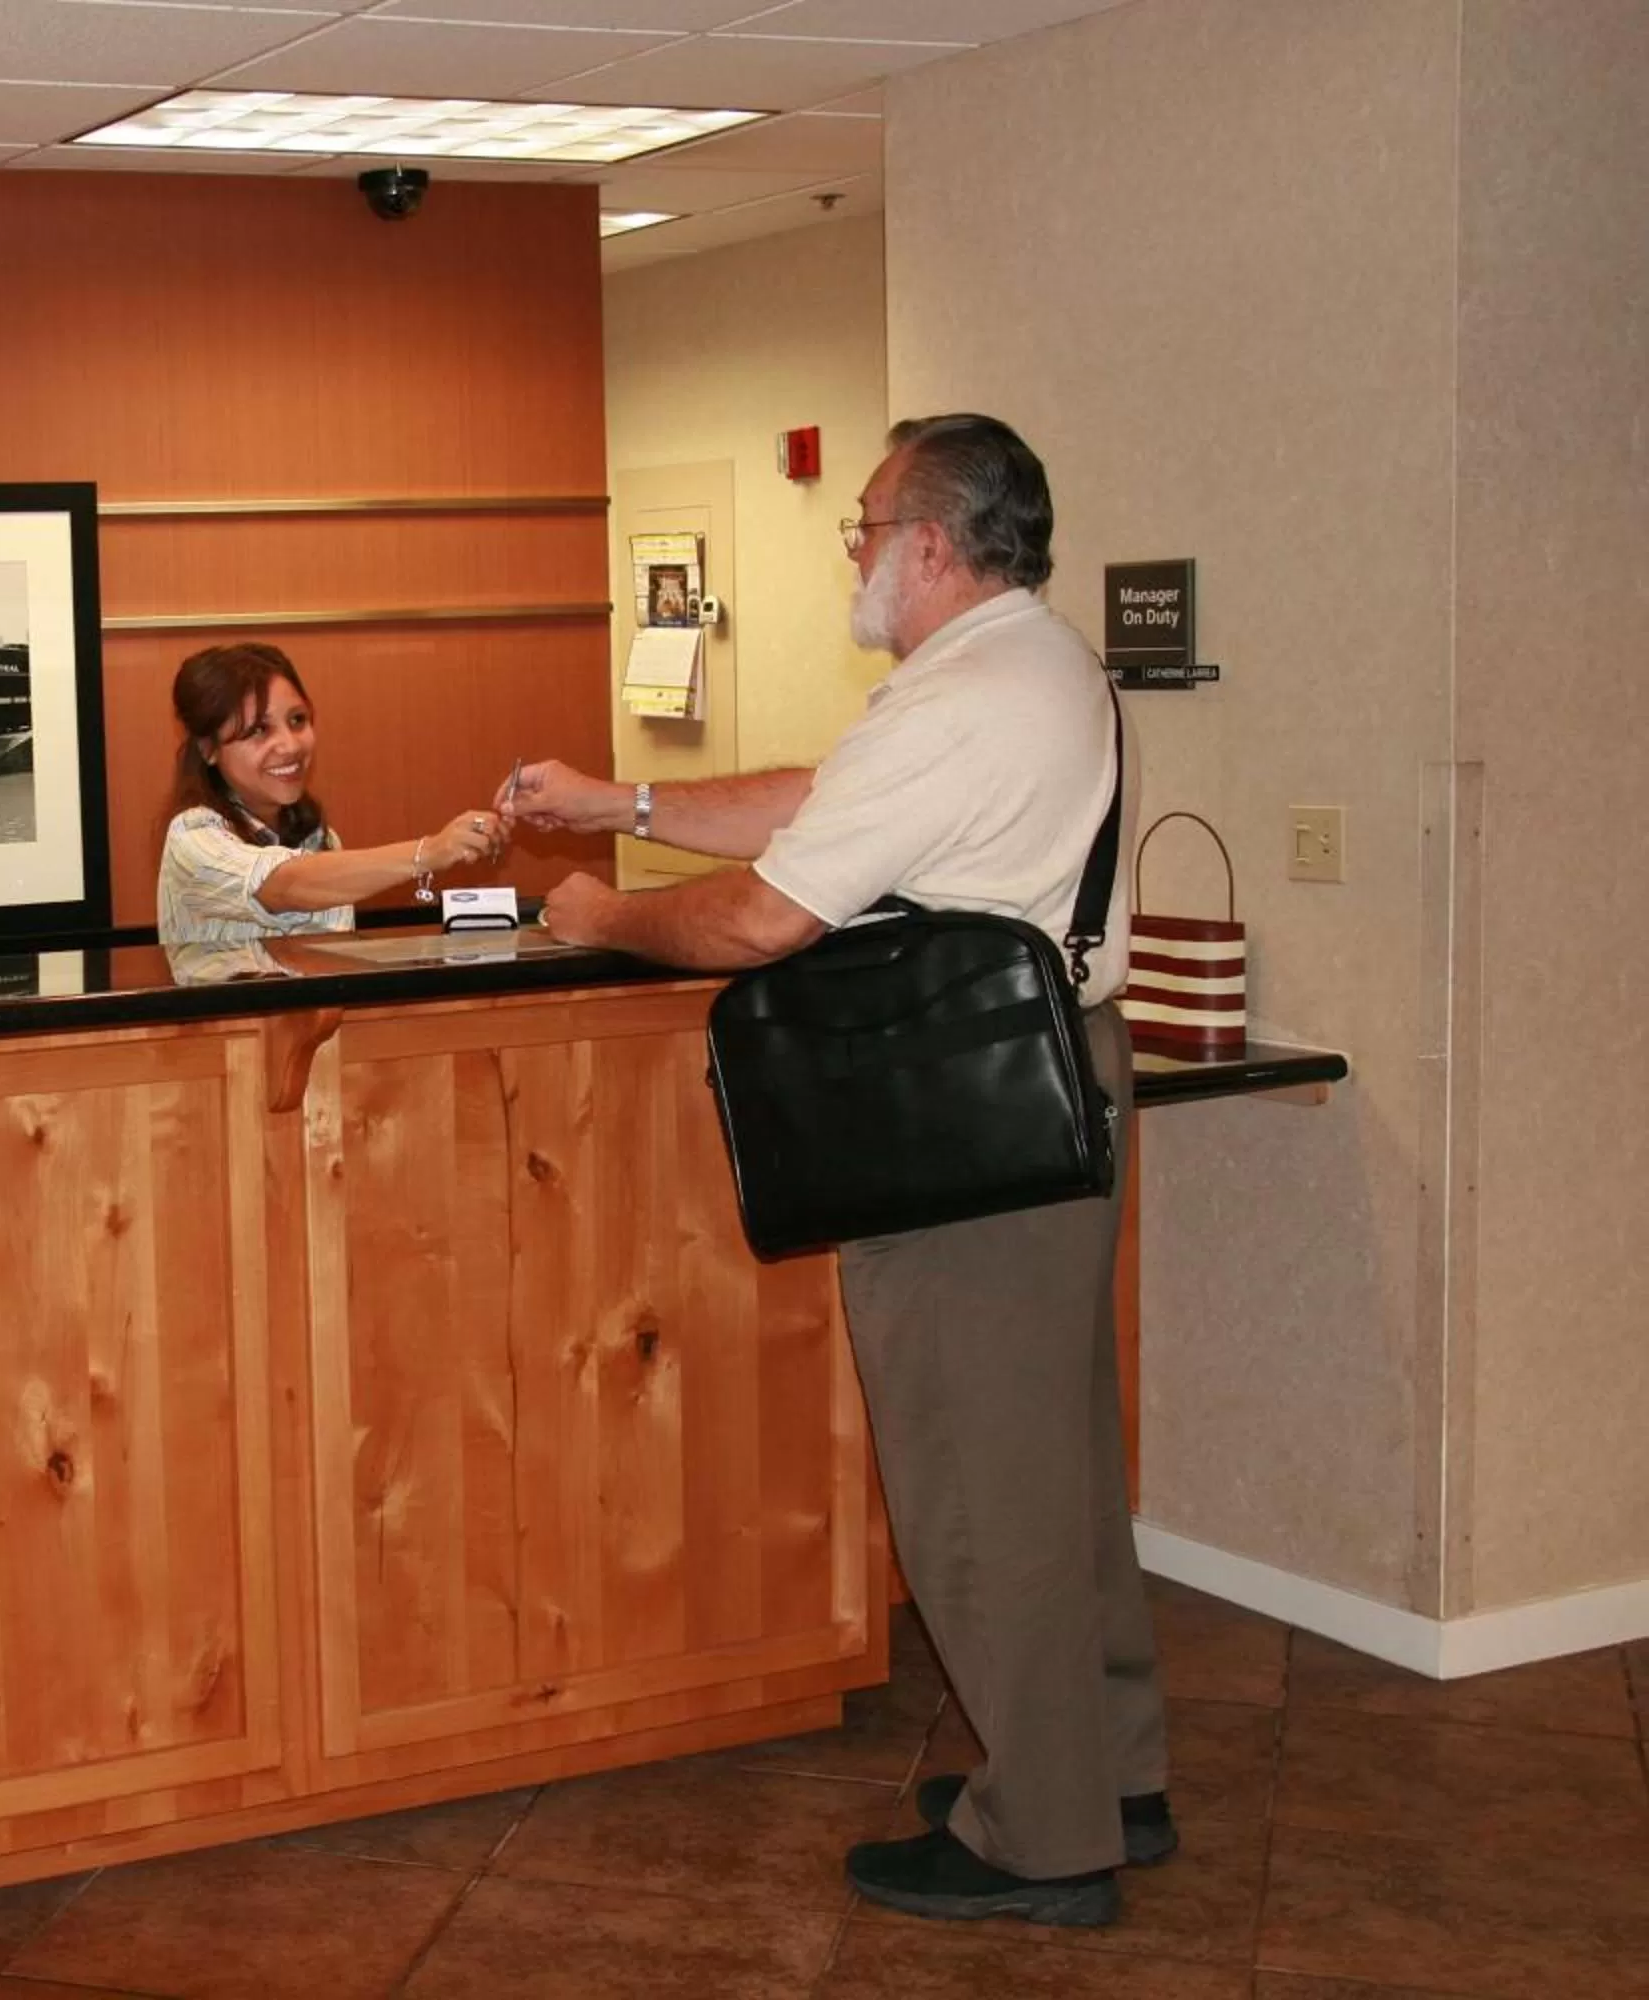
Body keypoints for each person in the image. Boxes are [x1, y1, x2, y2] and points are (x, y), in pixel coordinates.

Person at [501, 414, 1168, 1929]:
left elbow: (756, 925)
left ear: (931, 546)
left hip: (969, 1129)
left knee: (975, 1483)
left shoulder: (959, 699)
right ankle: (1111, 1772)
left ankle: (1044, 1839)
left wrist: (606, 918)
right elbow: (825, 797)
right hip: (1062, 1082)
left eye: (866, 525)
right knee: (1057, 1468)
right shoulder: (1033, 663)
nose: (854, 551)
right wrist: (630, 805)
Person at [157, 641, 504, 946]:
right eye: (259, 730)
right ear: (208, 749)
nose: (290, 746)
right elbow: (285, 885)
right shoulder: (193, 836)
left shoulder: (319, 838)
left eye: (297, 720)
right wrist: (430, 851)